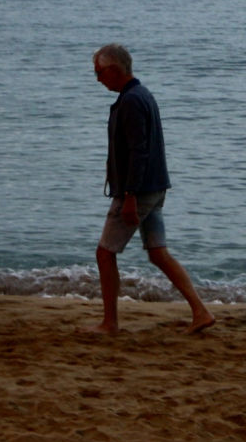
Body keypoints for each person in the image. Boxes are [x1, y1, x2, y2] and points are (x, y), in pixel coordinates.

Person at [88, 43, 215, 334]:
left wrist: (130, 196)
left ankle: (110, 322)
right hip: (155, 188)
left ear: (115, 70)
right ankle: (201, 311)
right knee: (158, 253)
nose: (97, 79)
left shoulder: (133, 100)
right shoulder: (140, 95)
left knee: (105, 254)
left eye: (99, 73)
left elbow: (139, 151)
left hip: (139, 191)